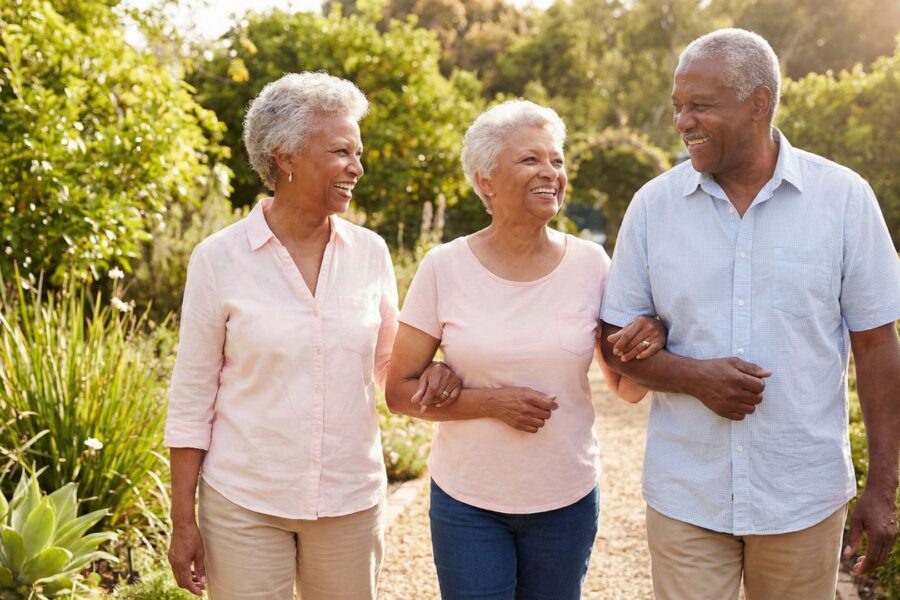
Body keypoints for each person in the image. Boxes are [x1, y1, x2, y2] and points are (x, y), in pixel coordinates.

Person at [599, 28, 900, 600]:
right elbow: (617, 333)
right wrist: (693, 377)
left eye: (701, 105)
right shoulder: (653, 207)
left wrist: (883, 485)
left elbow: (878, 344)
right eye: (678, 106)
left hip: (802, 494)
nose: (683, 121)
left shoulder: (844, 199)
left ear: (759, 104)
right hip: (687, 490)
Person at [163, 72, 458, 600]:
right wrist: (183, 521)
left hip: (349, 500)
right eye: (341, 150)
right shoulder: (219, 259)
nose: (357, 167)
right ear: (286, 156)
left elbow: (391, 369)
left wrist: (432, 370)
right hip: (245, 501)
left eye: (358, 152)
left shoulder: (370, 253)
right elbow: (191, 398)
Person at [385, 99, 667, 600]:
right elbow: (400, 392)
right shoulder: (443, 266)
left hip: (565, 497)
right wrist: (491, 403)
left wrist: (649, 340)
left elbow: (624, 389)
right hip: (467, 501)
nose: (550, 172)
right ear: (486, 179)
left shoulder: (591, 264)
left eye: (557, 160)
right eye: (530, 159)